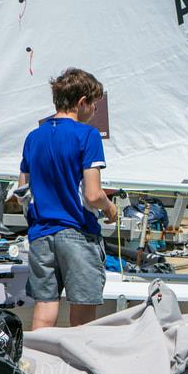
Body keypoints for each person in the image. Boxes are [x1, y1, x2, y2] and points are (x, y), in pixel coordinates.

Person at [19, 68, 118, 330]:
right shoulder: (88, 135)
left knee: (45, 305)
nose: (95, 110)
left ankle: (36, 365)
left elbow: (22, 192)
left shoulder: (33, 137)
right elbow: (93, 194)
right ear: (82, 102)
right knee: (82, 310)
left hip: (40, 233)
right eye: (94, 104)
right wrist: (110, 209)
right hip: (76, 231)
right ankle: (77, 368)